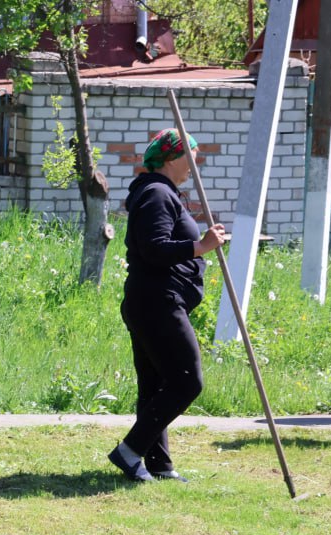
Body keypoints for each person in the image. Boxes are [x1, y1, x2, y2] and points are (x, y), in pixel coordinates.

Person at [108, 128, 226, 483]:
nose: (193, 164)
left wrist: (200, 246)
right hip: (158, 302)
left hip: (152, 301)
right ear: (172, 158)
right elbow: (154, 248)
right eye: (189, 156)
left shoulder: (162, 193)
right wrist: (200, 247)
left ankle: (157, 465)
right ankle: (129, 451)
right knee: (186, 381)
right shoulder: (158, 194)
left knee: (156, 385)